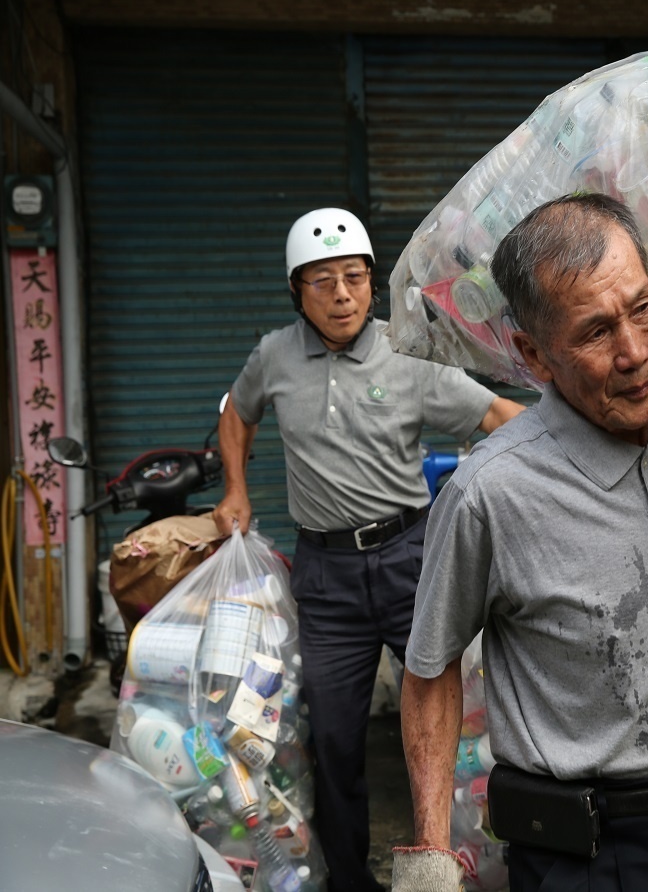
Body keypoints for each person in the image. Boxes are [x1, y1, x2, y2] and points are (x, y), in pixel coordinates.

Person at [394, 193, 648, 892]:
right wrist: (429, 851)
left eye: (643, 309)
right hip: (590, 857)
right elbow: (429, 670)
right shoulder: (490, 494)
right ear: (534, 356)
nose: (635, 353)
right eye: (596, 332)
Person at [213, 207, 524, 892]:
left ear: (371, 283)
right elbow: (235, 412)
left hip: (412, 561)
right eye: (322, 281)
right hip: (325, 577)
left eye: (354, 277)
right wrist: (236, 488)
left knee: (447, 734)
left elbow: (499, 415)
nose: (343, 294)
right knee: (332, 741)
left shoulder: (406, 354)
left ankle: (446, 866)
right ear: (297, 291)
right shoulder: (274, 357)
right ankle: (351, 882)